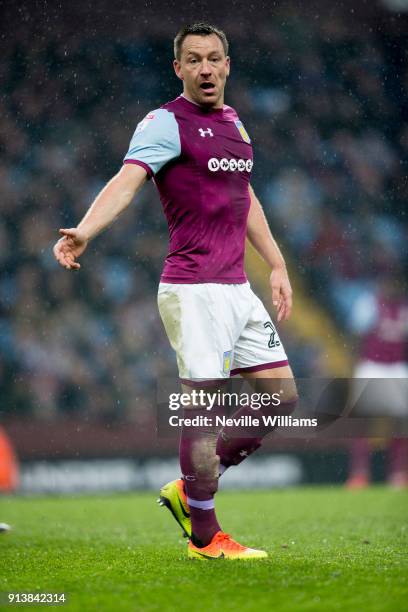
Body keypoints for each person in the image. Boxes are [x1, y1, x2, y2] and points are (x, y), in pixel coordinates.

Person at [53, 23, 298, 560]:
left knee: (281, 401)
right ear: (179, 68)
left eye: (214, 59)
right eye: (194, 60)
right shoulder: (165, 122)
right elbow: (128, 178)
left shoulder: (236, 124)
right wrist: (86, 230)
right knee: (204, 411)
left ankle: (189, 489)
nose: (206, 68)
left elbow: (245, 197)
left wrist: (276, 262)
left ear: (228, 65)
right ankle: (205, 538)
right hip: (193, 287)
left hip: (236, 287)